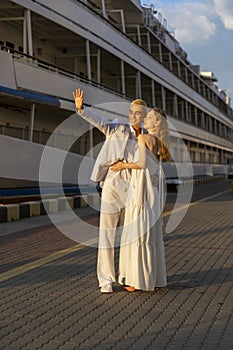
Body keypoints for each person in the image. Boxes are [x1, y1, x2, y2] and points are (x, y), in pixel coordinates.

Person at [73, 88, 148, 293]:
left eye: (137, 113)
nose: (133, 115)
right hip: (113, 183)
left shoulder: (146, 137)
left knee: (128, 234)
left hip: (134, 187)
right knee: (107, 233)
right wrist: (82, 109)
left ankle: (126, 275)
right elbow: (101, 122)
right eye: (131, 111)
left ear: (144, 116)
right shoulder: (118, 127)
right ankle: (105, 279)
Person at [110, 107, 170, 292]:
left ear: (157, 122)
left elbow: (141, 164)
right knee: (149, 236)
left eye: (150, 117)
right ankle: (152, 278)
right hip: (152, 192)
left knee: (136, 234)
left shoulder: (144, 138)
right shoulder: (159, 142)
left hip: (140, 192)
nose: (145, 118)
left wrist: (121, 165)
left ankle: (137, 280)